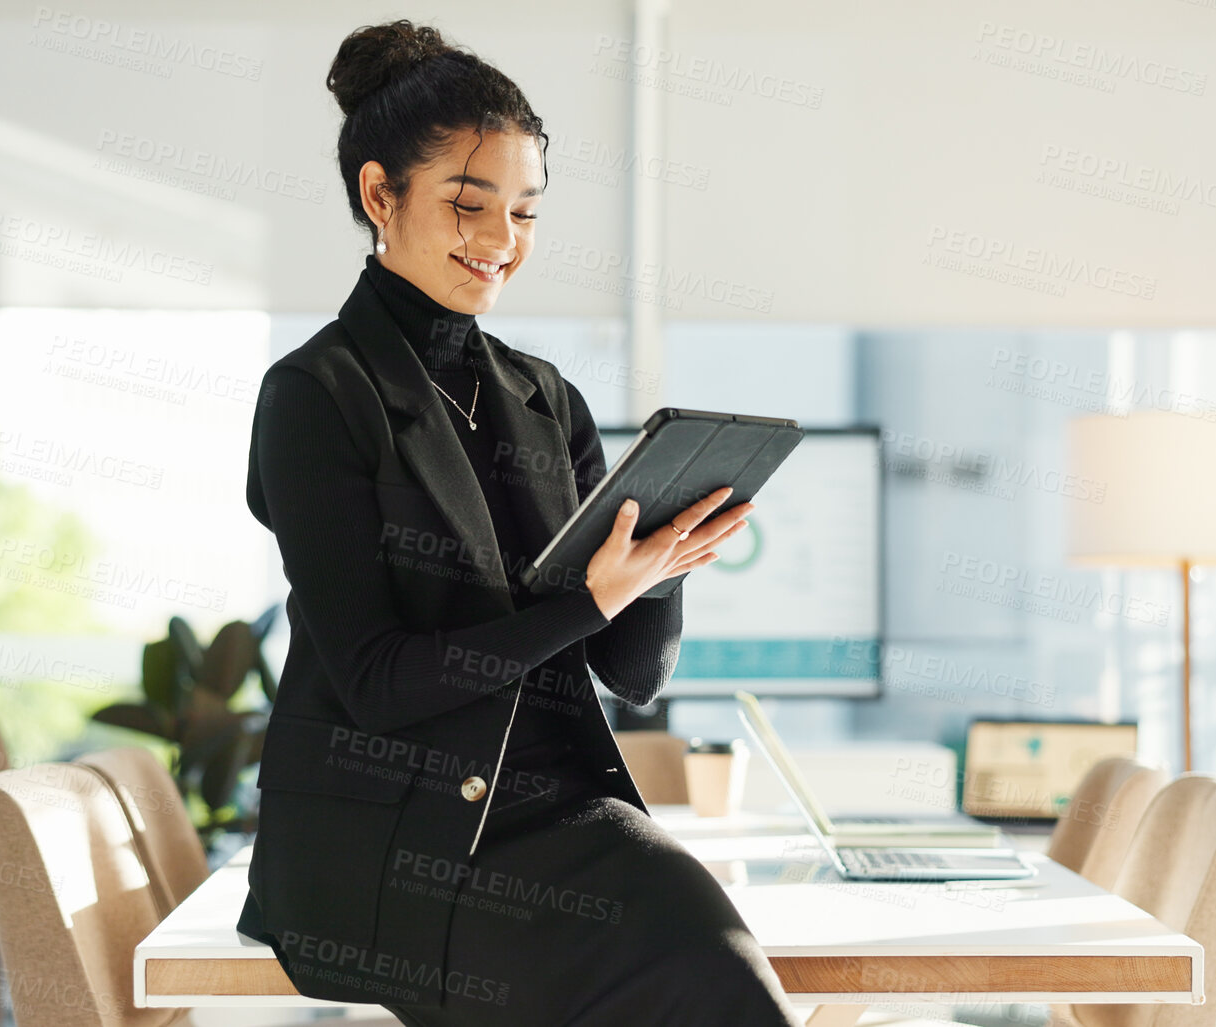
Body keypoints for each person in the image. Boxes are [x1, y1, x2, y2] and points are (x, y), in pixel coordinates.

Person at [233, 17, 807, 1027]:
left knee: (711, 958)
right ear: (380, 195)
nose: (501, 242)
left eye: (526, 213)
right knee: (701, 974)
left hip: (560, 814)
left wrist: (664, 564)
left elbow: (633, 669)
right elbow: (377, 682)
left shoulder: (548, 400)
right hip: (397, 847)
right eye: (468, 204)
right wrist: (585, 598)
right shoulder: (315, 395)